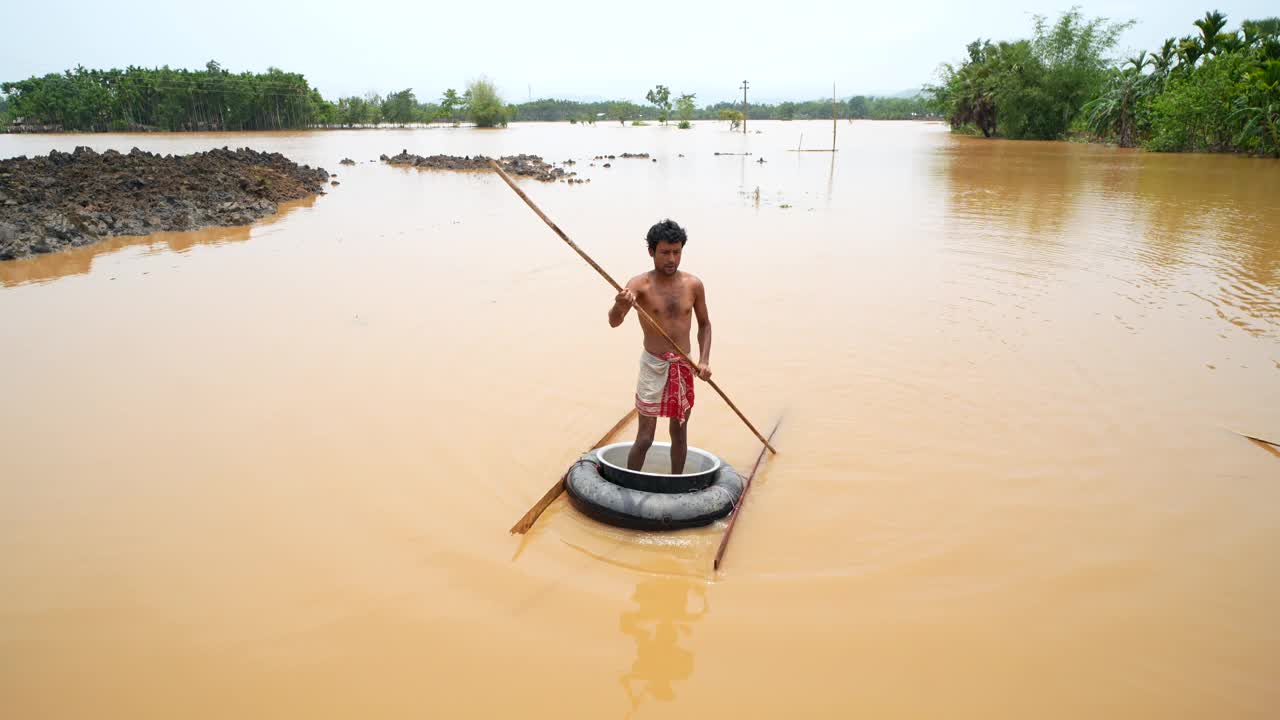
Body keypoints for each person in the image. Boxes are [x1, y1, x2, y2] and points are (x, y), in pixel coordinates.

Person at [607, 219, 712, 474]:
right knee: (645, 436)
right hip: (653, 365)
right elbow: (613, 321)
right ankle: (630, 483)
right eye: (665, 252)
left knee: (679, 431)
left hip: (683, 364)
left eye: (677, 252)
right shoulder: (638, 285)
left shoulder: (693, 285)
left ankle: (676, 482)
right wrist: (622, 304)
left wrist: (704, 361)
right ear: (651, 251)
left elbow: (705, 325)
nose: (671, 259)